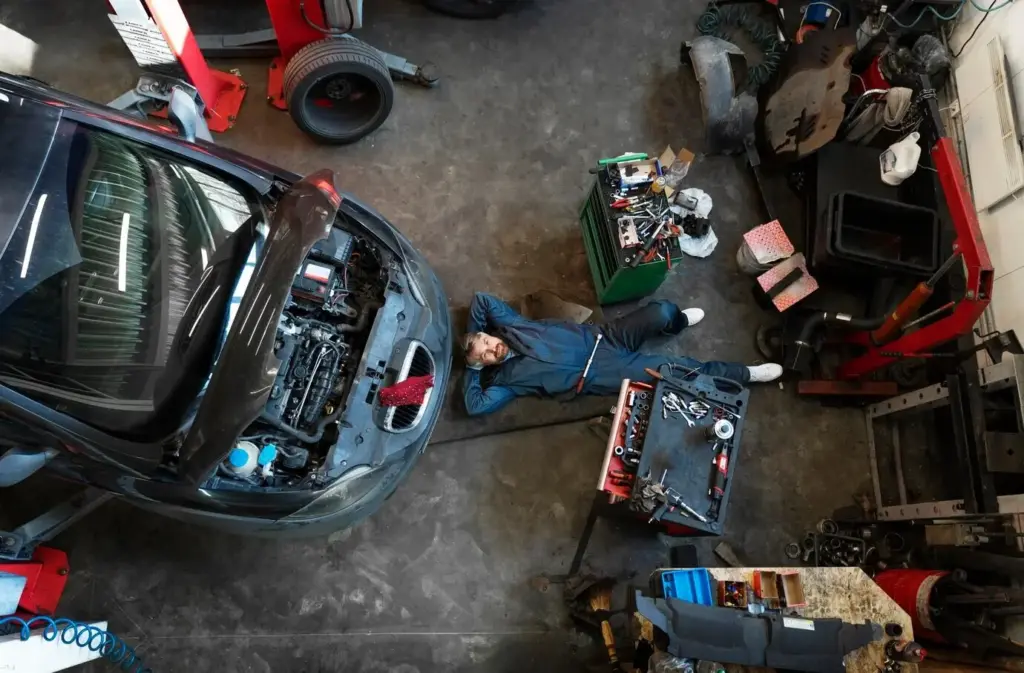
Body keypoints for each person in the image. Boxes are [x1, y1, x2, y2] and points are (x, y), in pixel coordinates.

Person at [461, 292, 782, 416]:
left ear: (489, 333)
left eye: (486, 341)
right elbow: (475, 406)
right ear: (483, 365)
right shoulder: (507, 382)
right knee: (677, 371)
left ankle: (678, 323)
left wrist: (473, 335)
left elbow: (481, 300)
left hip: (604, 337)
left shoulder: (511, 325)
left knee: (661, 311)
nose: (491, 349)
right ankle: (745, 374)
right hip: (603, 373)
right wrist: (471, 367)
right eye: (485, 356)